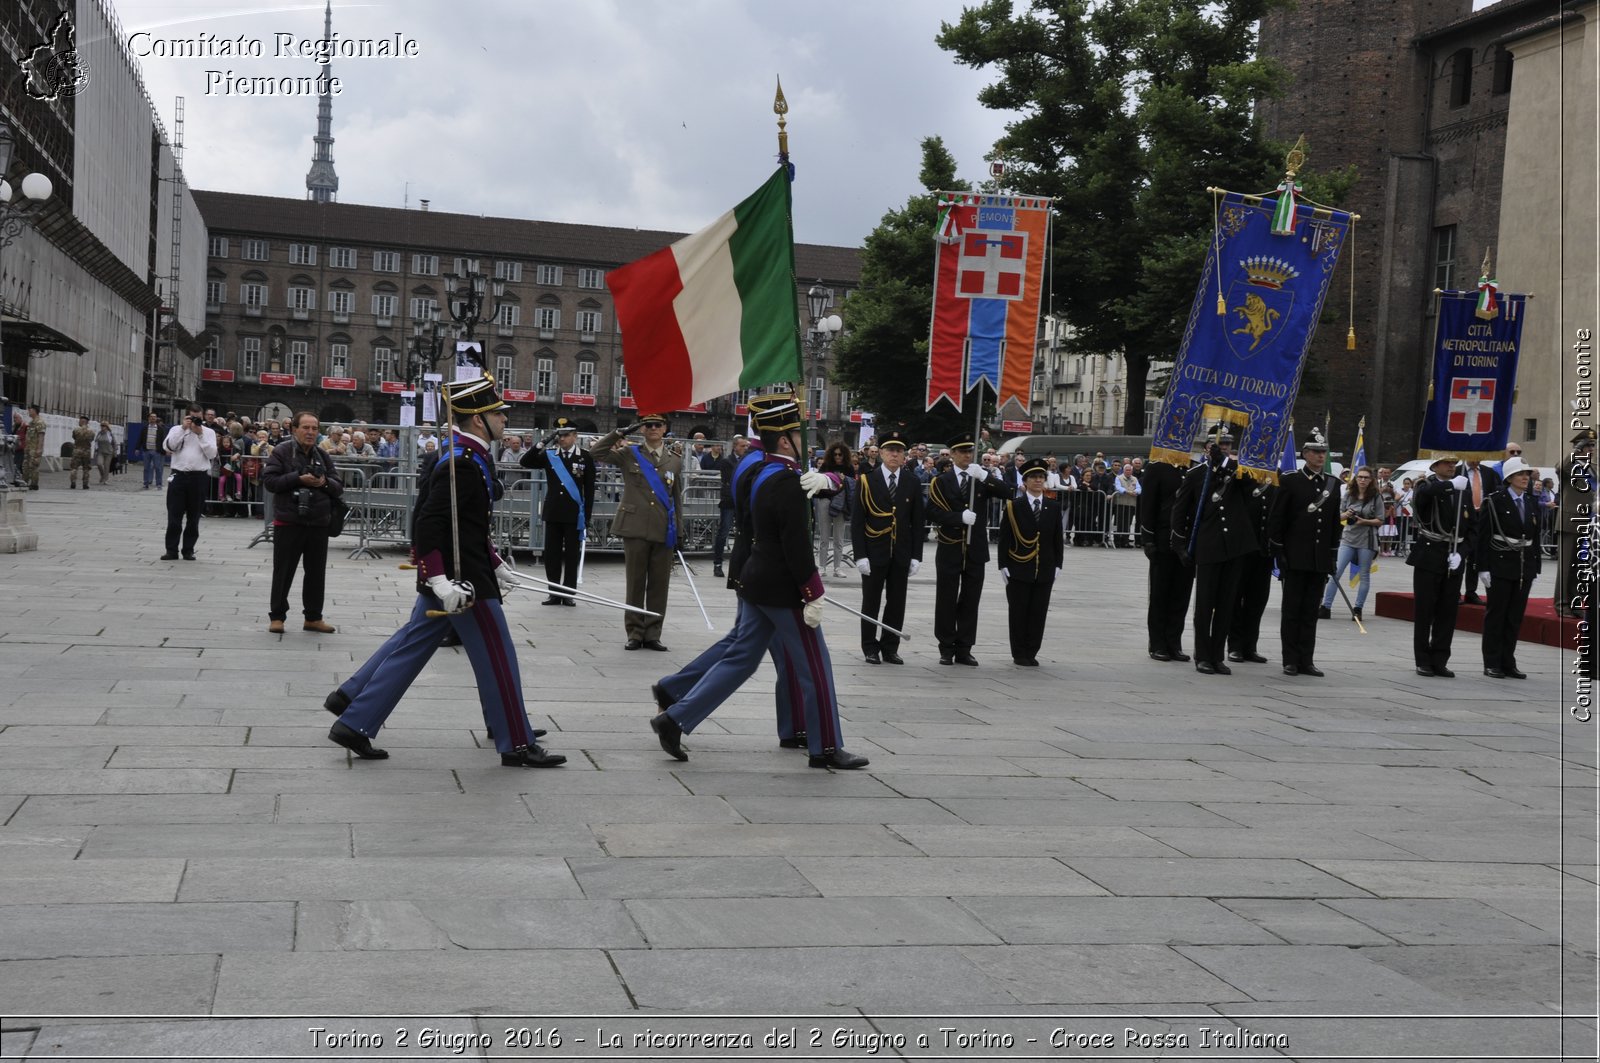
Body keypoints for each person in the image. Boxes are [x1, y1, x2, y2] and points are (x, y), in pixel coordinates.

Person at [323, 374, 565, 767]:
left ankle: (355, 718)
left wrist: (497, 562)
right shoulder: (461, 462)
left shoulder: (469, 456)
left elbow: (467, 524)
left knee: (411, 648)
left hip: (464, 569)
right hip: (461, 579)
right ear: (476, 420)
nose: (505, 420)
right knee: (498, 656)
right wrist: (438, 579)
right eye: (496, 414)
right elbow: (430, 523)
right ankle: (516, 742)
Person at [648, 393, 867, 769]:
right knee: (815, 667)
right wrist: (812, 590)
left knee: (741, 659)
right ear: (785, 440)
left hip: (756, 578)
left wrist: (827, 477)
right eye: (799, 434)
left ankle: (675, 718)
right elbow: (795, 544)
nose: (806, 441)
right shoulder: (786, 480)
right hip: (783, 587)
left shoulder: (765, 470)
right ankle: (826, 746)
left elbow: (824, 484)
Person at [590, 413, 685, 651]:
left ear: (664, 429)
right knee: (635, 583)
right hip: (634, 526)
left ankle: (653, 633)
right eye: (648, 425)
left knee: (659, 584)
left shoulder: (674, 459)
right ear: (642, 429)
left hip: (664, 527)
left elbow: (676, 498)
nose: (653, 428)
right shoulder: (629, 454)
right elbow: (595, 453)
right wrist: (620, 432)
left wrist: (680, 530)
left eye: (657, 425)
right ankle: (634, 632)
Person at [1171, 424, 1258, 674]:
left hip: (1234, 547)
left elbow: (1249, 486)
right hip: (1209, 546)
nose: (1224, 448)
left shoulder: (1237, 471)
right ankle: (1203, 655)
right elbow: (1180, 511)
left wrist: (1225, 464)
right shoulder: (1196, 474)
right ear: (1208, 447)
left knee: (1226, 603)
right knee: (1205, 603)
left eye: (1228, 445)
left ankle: (1217, 655)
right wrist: (1179, 544)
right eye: (1220, 445)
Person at [927, 431, 1012, 666]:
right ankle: (946, 646)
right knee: (946, 598)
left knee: (971, 599)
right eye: (962, 451)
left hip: (975, 548)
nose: (967, 455)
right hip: (950, 546)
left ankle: (965, 647)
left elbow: (1009, 493)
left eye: (969, 451)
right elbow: (932, 511)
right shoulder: (941, 481)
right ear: (952, 454)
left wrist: (985, 476)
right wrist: (958, 517)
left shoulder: (979, 478)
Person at [1267, 429, 1341, 677]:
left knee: (1310, 611)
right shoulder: (1290, 480)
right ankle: (1290, 659)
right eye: (1316, 452)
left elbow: (1332, 524)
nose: (1321, 456)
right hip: (1295, 555)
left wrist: (1331, 554)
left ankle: (1306, 659)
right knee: (1292, 611)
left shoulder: (1332, 484)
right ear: (1305, 454)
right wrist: (1279, 552)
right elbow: (1277, 519)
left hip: (1318, 558)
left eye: (1323, 452)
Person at [262, 412, 344, 634]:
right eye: (306, 428)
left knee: (316, 573)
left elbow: (338, 486)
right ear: (294, 429)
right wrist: (297, 479)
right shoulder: (282, 452)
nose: (310, 432)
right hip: (289, 522)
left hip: (318, 523)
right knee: (283, 572)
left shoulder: (322, 455)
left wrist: (323, 481)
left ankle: (313, 617)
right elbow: (269, 481)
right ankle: (277, 616)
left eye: (314, 428)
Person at [850, 427, 923, 664]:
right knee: (870, 600)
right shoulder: (867, 481)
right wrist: (860, 555)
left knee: (896, 601)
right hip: (874, 551)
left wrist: (916, 555)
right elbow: (858, 521)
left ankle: (890, 646)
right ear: (881, 453)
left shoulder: (911, 481)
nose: (895, 455)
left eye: (899, 451)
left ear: (905, 456)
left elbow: (917, 522)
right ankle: (870, 647)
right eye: (890, 450)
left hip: (900, 552)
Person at [1478, 456, 1543, 679]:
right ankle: (1492, 661)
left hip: (1523, 566)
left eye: (1526, 474)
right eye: (1520, 474)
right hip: (1500, 563)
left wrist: (1535, 567)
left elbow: (1535, 538)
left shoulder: (1532, 502)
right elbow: (1483, 536)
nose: (1525, 478)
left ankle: (1508, 661)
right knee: (1497, 615)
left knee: (1515, 616)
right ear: (1509, 478)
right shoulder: (1494, 501)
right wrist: (1482, 567)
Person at [521, 417, 596, 606]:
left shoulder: (584, 457)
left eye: (566, 435)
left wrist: (586, 516)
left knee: (571, 555)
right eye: (559, 435)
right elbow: (526, 461)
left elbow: (589, 489)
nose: (562, 439)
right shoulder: (550, 454)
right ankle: (553, 592)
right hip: (553, 511)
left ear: (575, 436)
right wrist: (542, 443)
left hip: (574, 514)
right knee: (552, 554)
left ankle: (569, 593)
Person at [1407, 454, 1470, 677]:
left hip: (1453, 556)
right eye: (1447, 463)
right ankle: (1422, 659)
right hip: (1430, 553)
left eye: (1454, 464)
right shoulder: (1427, 485)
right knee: (1425, 610)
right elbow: (1422, 497)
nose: (1452, 467)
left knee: (1448, 611)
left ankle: (1440, 658)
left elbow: (1470, 525)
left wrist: (1462, 553)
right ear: (1435, 466)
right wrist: (1449, 486)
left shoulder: (1463, 489)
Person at [997, 458, 1064, 666]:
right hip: (1019, 567)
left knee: (1038, 612)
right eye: (1033, 477)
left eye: (1041, 477)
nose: (1037, 481)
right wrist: (1003, 565)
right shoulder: (1014, 506)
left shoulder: (1052, 507)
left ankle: (1032, 650)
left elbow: (1057, 538)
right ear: (1025, 481)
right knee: (1018, 611)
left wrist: (1058, 564)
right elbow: (1005, 537)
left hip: (1044, 567)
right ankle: (1019, 652)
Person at [1137, 453, 1193, 662]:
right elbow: (1147, 503)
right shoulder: (1157, 467)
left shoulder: (1193, 468)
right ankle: (1158, 643)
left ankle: (1174, 642)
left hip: (1186, 541)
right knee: (1161, 594)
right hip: (1163, 538)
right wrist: (1147, 538)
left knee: (1181, 594)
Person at [1319, 465, 1385, 622]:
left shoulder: (1376, 496)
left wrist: (1364, 521)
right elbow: (1337, 516)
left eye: (1366, 477)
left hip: (1367, 538)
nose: (1362, 480)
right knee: (1336, 572)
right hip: (1348, 537)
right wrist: (1347, 514)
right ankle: (1326, 607)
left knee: (1364, 575)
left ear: (1371, 480)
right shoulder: (1349, 495)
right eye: (1360, 477)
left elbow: (1380, 520)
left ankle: (1358, 609)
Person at [1227, 468, 1276, 665]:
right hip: (1242, 548)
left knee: (1257, 601)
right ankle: (1235, 646)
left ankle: (1250, 646)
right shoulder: (1242, 473)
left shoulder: (1276, 474)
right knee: (1236, 599)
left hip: (1263, 549)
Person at [162, 403, 218, 560]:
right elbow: (169, 447)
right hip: (178, 476)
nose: (195, 421)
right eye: (192, 418)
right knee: (174, 515)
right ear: (186, 417)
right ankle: (171, 550)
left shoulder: (208, 432)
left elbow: (212, 453)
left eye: (199, 418)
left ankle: (188, 549)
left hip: (198, 477)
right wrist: (183, 429)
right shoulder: (176, 430)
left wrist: (200, 434)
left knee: (194, 517)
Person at [1555, 428, 1595, 618]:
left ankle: (1575, 602)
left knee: (1579, 566)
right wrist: (1576, 451)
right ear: (1578, 448)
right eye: (1587, 445)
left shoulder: (1591, 468)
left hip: (1587, 521)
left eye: (1593, 445)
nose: (1591, 449)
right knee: (1566, 566)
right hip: (1569, 521)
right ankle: (1561, 604)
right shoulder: (1569, 466)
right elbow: (1562, 467)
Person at [1457, 457, 1503, 605]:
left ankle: (1471, 591)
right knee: (1460, 555)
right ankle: (1455, 592)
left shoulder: (1488, 473)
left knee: (1476, 557)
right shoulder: (1458, 471)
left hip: (1481, 517)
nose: (1476, 460)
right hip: (1463, 518)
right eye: (1473, 457)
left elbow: (1496, 491)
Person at [712, 435, 750, 578]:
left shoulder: (747, 461)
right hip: (729, 501)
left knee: (743, 532)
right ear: (735, 446)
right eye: (742, 446)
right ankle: (717, 564)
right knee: (724, 532)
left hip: (742, 502)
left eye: (747, 446)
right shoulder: (727, 462)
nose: (745, 449)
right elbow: (732, 479)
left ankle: (741, 564)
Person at [141, 412, 166, 489]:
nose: (153, 418)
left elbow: (163, 440)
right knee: (146, 468)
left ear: (156, 418)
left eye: (154, 417)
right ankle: (146, 483)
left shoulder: (160, 429)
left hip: (156, 451)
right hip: (147, 450)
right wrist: (137, 448)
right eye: (151, 417)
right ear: (149, 418)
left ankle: (159, 484)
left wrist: (164, 450)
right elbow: (141, 438)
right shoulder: (145, 428)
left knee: (158, 468)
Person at [69, 415, 93, 489]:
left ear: (82, 421)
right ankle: (85, 484)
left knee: (74, 467)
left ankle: (73, 482)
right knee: (86, 468)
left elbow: (74, 437)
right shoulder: (91, 431)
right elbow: (91, 439)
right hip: (86, 451)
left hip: (77, 450)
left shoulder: (76, 430)